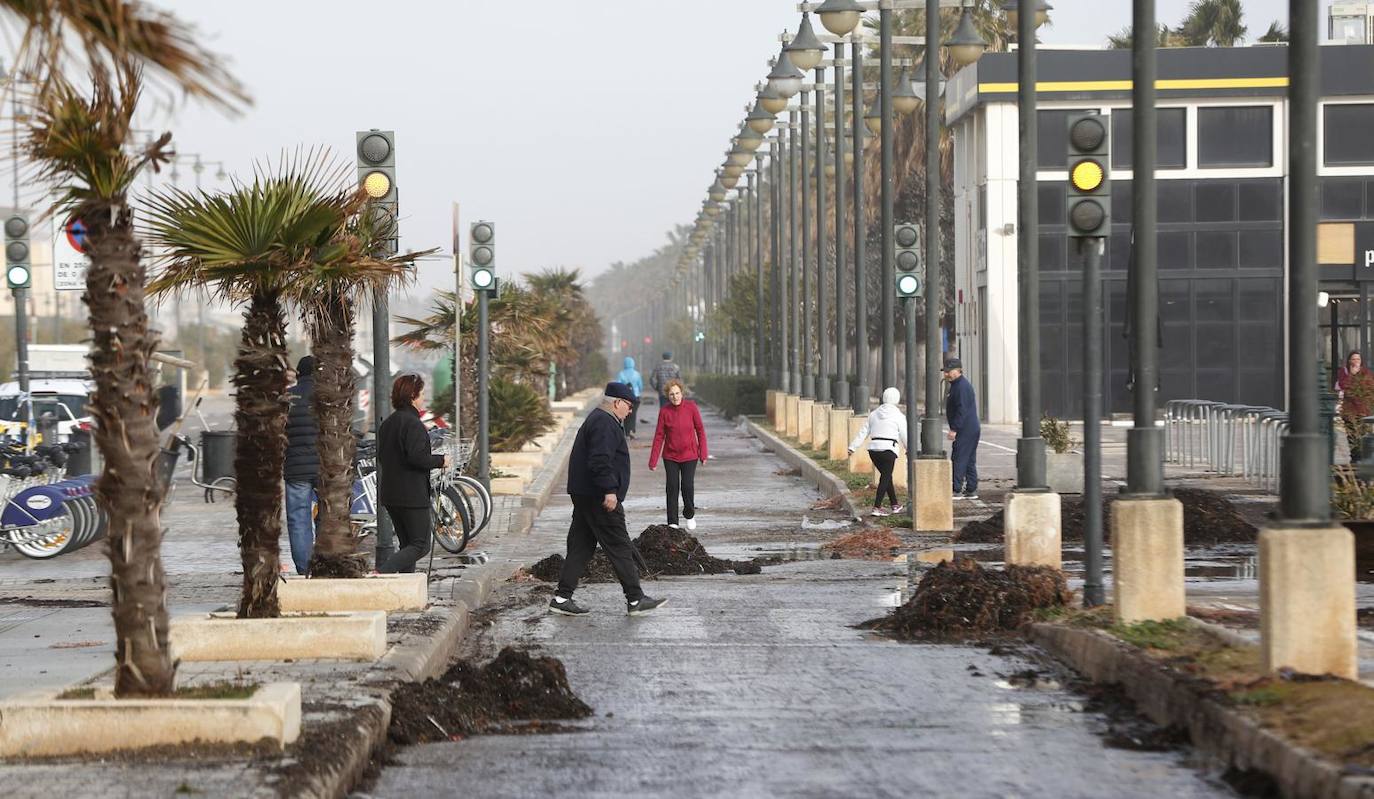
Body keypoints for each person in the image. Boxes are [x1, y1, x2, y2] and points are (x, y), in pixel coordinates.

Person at [551, 382, 667, 617]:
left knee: (581, 546)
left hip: (586, 494)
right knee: (619, 545)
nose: (630, 410)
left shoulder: (600, 419)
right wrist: (610, 491)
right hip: (598, 496)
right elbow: (600, 460)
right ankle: (635, 599)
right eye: (628, 405)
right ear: (616, 402)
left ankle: (561, 598)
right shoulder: (604, 423)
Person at [377, 373, 449, 574]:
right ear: (412, 396)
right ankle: (383, 572)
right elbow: (417, 458)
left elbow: (383, 457)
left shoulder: (388, 423)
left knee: (406, 544)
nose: (423, 398)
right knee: (420, 544)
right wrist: (441, 460)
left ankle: (405, 584)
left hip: (391, 494)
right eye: (421, 394)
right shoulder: (413, 424)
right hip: (411, 495)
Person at [649, 379, 708, 530]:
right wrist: (653, 460)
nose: (675, 397)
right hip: (671, 456)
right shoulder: (664, 411)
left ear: (682, 393)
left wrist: (703, 453)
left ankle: (689, 514)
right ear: (667, 396)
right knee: (672, 487)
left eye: (677, 393)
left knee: (687, 486)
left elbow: (700, 430)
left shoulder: (691, 407)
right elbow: (659, 436)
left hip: (690, 455)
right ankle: (673, 522)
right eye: (671, 394)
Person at [283, 355, 319, 575]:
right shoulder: (327, 396)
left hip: (296, 468)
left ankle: (305, 568)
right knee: (329, 515)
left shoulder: (287, 397)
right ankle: (326, 561)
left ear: (298, 374)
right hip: (326, 467)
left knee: (298, 518)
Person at [847, 387, 907, 517]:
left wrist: (852, 447)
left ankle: (894, 505)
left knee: (887, 476)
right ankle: (877, 507)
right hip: (889, 449)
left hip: (873, 450)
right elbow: (904, 434)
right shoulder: (899, 415)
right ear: (896, 399)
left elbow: (863, 432)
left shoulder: (873, 414)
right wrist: (909, 449)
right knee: (885, 477)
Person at [944, 358, 981, 500]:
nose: (946, 374)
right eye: (945, 371)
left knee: (959, 457)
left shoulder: (961, 387)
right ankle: (971, 488)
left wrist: (954, 428)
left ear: (958, 370)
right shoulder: (957, 385)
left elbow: (962, 410)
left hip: (966, 428)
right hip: (970, 428)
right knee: (969, 459)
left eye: (949, 371)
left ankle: (957, 489)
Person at [1338, 350, 1374, 461]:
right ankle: (1354, 459)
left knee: (1364, 436)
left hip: (1363, 411)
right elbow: (1343, 385)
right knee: (1352, 437)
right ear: (1349, 361)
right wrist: (1352, 376)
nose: (1356, 361)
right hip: (1349, 411)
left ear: (1361, 361)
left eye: (1358, 359)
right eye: (1353, 359)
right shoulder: (1344, 372)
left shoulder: (1366, 373)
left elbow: (1368, 388)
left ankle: (1364, 459)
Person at [616, 356, 644, 439]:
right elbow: (641, 386)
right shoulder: (637, 374)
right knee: (633, 413)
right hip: (635, 396)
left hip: (624, 397)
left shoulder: (621, 374)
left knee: (625, 414)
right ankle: (632, 430)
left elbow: (618, 385)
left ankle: (626, 432)